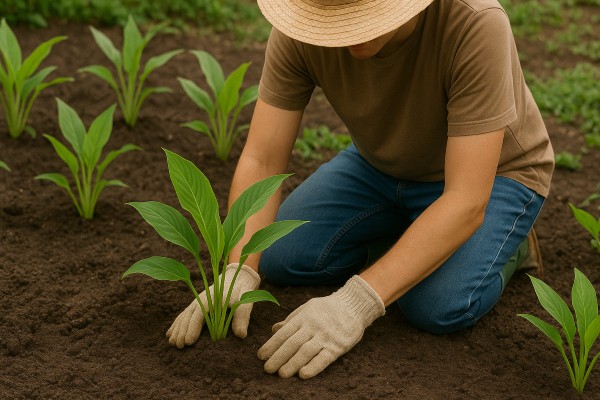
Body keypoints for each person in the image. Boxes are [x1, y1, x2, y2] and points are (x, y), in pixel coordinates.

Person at [166, 0, 554, 379]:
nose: (346, 31)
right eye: (335, 17)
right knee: (279, 254)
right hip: (380, 164)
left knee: (436, 306)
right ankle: (416, 236)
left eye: (362, 16)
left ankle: (513, 245)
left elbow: (466, 199)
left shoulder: (474, 22)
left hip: (493, 176)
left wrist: (356, 302)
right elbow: (263, 159)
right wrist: (239, 267)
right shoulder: (306, 24)